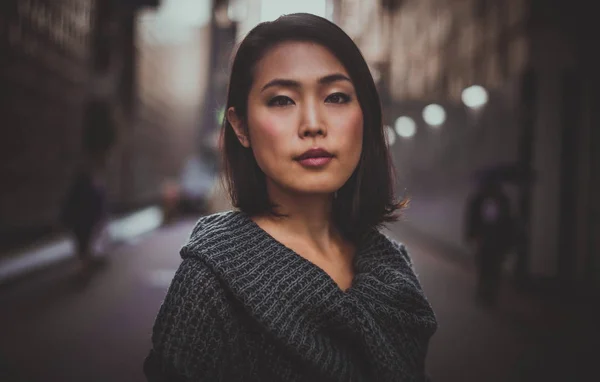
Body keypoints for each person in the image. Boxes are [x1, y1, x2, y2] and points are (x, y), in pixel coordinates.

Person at [144, 13, 437, 381]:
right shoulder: (211, 282)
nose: (313, 123)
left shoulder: (393, 269)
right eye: (282, 100)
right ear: (241, 127)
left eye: (336, 96)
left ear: (365, 115)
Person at [60, 99, 115, 271]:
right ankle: (88, 255)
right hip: (89, 177)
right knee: (91, 206)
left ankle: (88, 255)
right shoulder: (90, 170)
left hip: (91, 174)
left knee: (92, 205)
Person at [464, 177, 515, 306]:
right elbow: (471, 219)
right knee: (484, 267)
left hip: (498, 240)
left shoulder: (503, 200)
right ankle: (483, 293)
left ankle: (491, 294)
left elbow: (507, 221)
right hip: (484, 240)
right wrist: (472, 236)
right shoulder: (478, 200)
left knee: (495, 268)